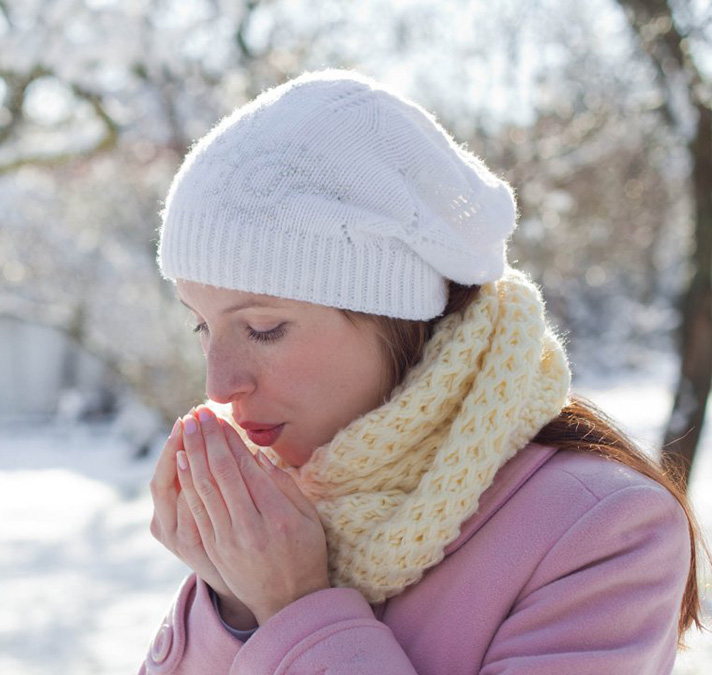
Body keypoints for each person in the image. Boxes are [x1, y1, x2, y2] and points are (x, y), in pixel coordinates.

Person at [141, 69, 703, 674]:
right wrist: (234, 605)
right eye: (202, 327)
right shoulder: (279, 518)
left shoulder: (602, 531)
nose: (219, 386)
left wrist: (293, 607)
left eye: (263, 328)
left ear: (395, 315)